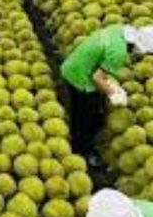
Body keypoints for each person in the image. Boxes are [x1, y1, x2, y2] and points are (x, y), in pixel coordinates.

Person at [60, 25, 153, 165]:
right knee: (87, 114)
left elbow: (101, 64)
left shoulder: (118, 30)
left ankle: (75, 134)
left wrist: (112, 86)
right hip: (80, 77)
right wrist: (114, 94)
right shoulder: (118, 52)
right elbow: (97, 78)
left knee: (81, 108)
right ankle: (83, 149)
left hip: (74, 65)